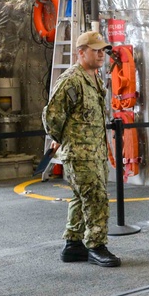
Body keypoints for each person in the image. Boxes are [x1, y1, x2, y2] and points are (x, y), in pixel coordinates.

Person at [42, 30, 121, 268]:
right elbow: (52, 115)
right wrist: (58, 138)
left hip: (94, 150)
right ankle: (96, 246)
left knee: (80, 196)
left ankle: (73, 245)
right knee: (95, 197)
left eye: (102, 50)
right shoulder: (71, 80)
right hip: (79, 153)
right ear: (81, 52)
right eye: (95, 50)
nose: (101, 54)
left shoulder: (94, 76)